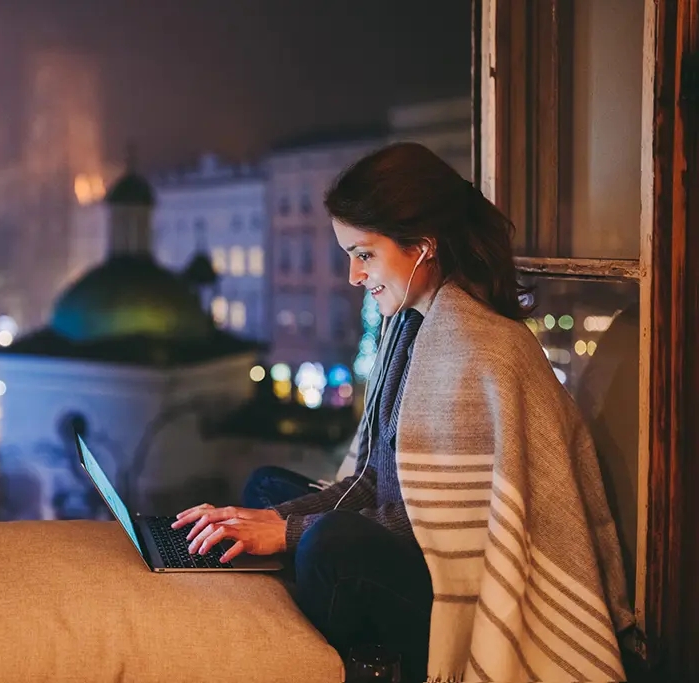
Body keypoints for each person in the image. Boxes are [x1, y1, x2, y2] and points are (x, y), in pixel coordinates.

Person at [172, 143, 633, 683]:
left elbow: (444, 526)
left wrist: (291, 534)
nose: (353, 276)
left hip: (458, 580)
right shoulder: (408, 326)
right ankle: (297, 574)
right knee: (265, 487)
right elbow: (373, 479)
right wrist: (271, 521)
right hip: (406, 545)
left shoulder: (484, 347)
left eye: (364, 254)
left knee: (325, 545)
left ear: (422, 247)